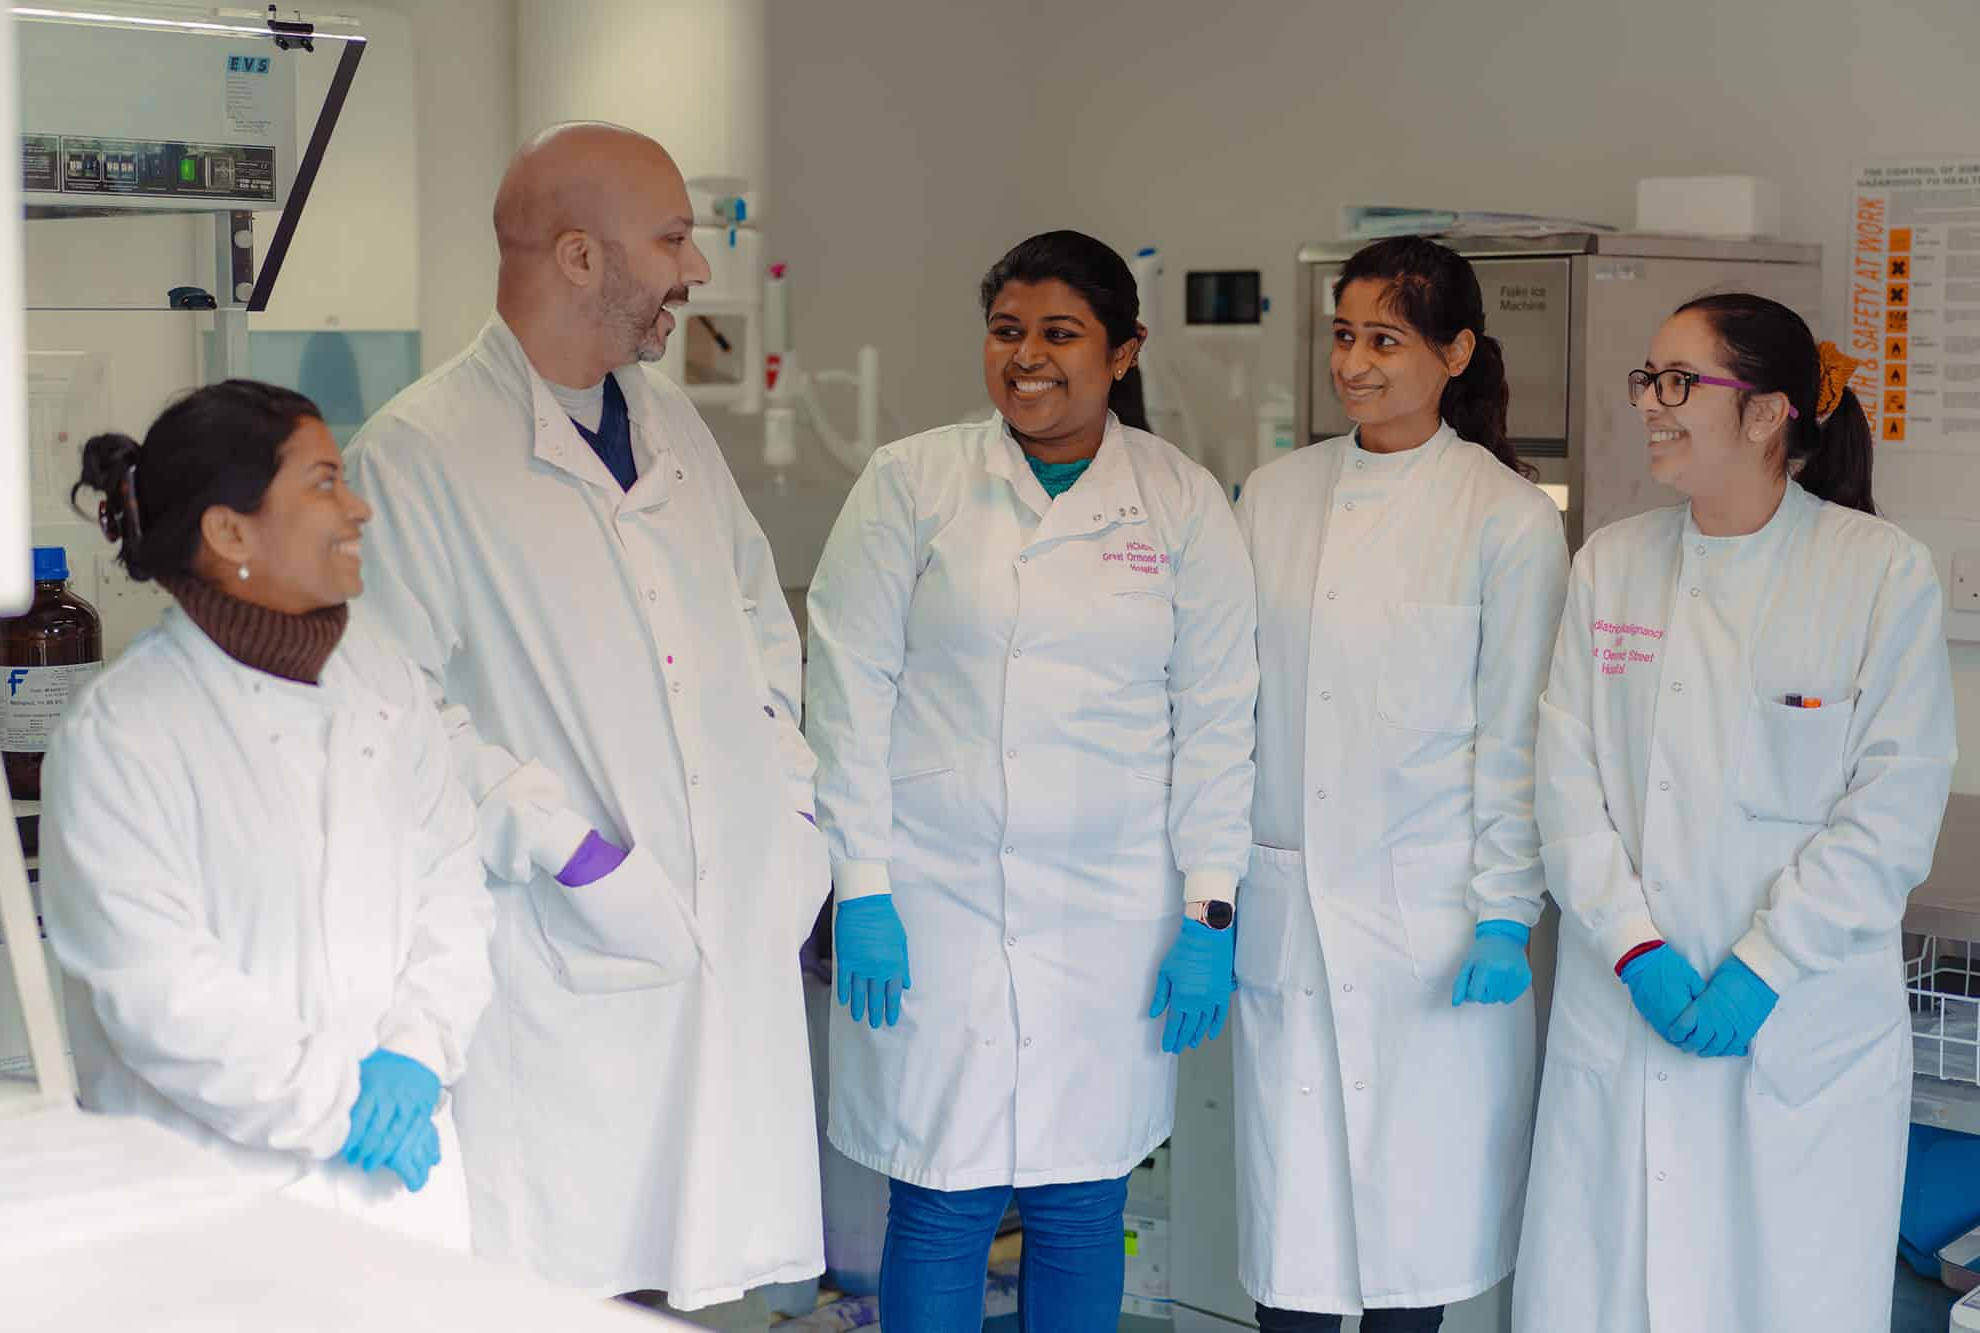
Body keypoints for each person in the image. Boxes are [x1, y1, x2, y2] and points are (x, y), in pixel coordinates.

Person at [341, 123, 828, 1311]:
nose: (694, 268)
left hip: (725, 916)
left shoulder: (668, 423)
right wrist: (572, 848)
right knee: (565, 1284)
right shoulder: (417, 453)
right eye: (670, 238)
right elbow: (389, 711)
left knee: (701, 1273)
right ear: (574, 256)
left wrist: (789, 808)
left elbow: (759, 626)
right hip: (559, 939)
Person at [805, 230, 1258, 1332]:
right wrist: (858, 884)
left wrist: (1208, 908)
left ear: (1123, 350)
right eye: (1006, 331)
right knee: (940, 1198)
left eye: (1060, 333)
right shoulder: (912, 480)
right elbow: (846, 685)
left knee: (1078, 1198)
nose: (1026, 358)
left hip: (1109, 912)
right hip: (934, 896)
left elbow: (1213, 721)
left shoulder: (1181, 501)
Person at [1515, 294, 1955, 1330]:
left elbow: (1888, 811)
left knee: (1778, 1294)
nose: (1651, 406)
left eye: (1679, 383)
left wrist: (1761, 966)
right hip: (1625, 1004)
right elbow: (1564, 778)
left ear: (1766, 415)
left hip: (1795, 1023)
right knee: (1607, 1292)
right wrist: (1632, 947)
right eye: (1645, 379)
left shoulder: (1872, 570)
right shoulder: (1610, 562)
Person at [44, 381, 494, 1249]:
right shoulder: (123, 734)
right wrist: (339, 1105)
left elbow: (452, 885)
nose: (358, 507)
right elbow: (160, 991)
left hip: (404, 1178)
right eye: (326, 482)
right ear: (230, 532)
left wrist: (419, 1050)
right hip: (217, 1202)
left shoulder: (384, 679)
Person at [1232, 236, 1568, 1332]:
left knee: (1406, 1270)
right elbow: (1229, 710)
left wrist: (1503, 915)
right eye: (1342, 336)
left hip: (1431, 928)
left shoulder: (1505, 519)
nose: (1354, 364)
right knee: (1290, 1262)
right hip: (1288, 916)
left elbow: (1516, 736)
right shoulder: (1271, 497)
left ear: (1453, 351)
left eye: (1384, 338)